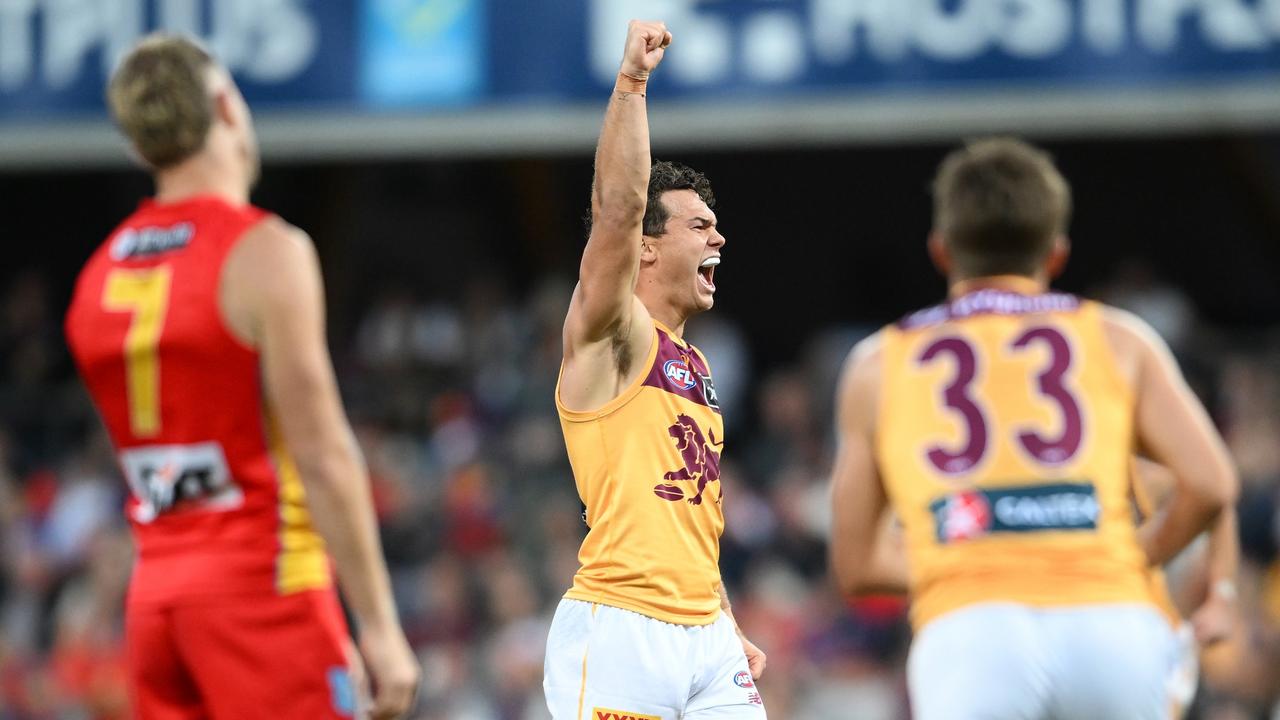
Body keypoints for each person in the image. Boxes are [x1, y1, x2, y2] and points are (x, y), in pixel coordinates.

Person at [63, 35, 419, 720]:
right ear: (227, 105)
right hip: (264, 590)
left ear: (141, 147)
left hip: (157, 606)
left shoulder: (96, 278)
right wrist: (376, 624)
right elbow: (321, 450)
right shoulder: (266, 253)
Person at [829, 137, 1239, 720]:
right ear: (1057, 253)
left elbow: (856, 565)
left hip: (971, 630)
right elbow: (1212, 484)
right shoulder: (1119, 337)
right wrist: (1134, 553)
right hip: (1111, 621)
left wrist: (977, 552)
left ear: (941, 251)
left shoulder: (877, 362)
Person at [542, 19, 767, 720]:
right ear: (644, 249)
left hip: (707, 634)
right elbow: (616, 210)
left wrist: (723, 614)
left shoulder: (694, 362)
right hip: (619, 629)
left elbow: (688, 513)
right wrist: (632, 83)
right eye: (699, 225)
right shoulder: (610, 332)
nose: (718, 235)